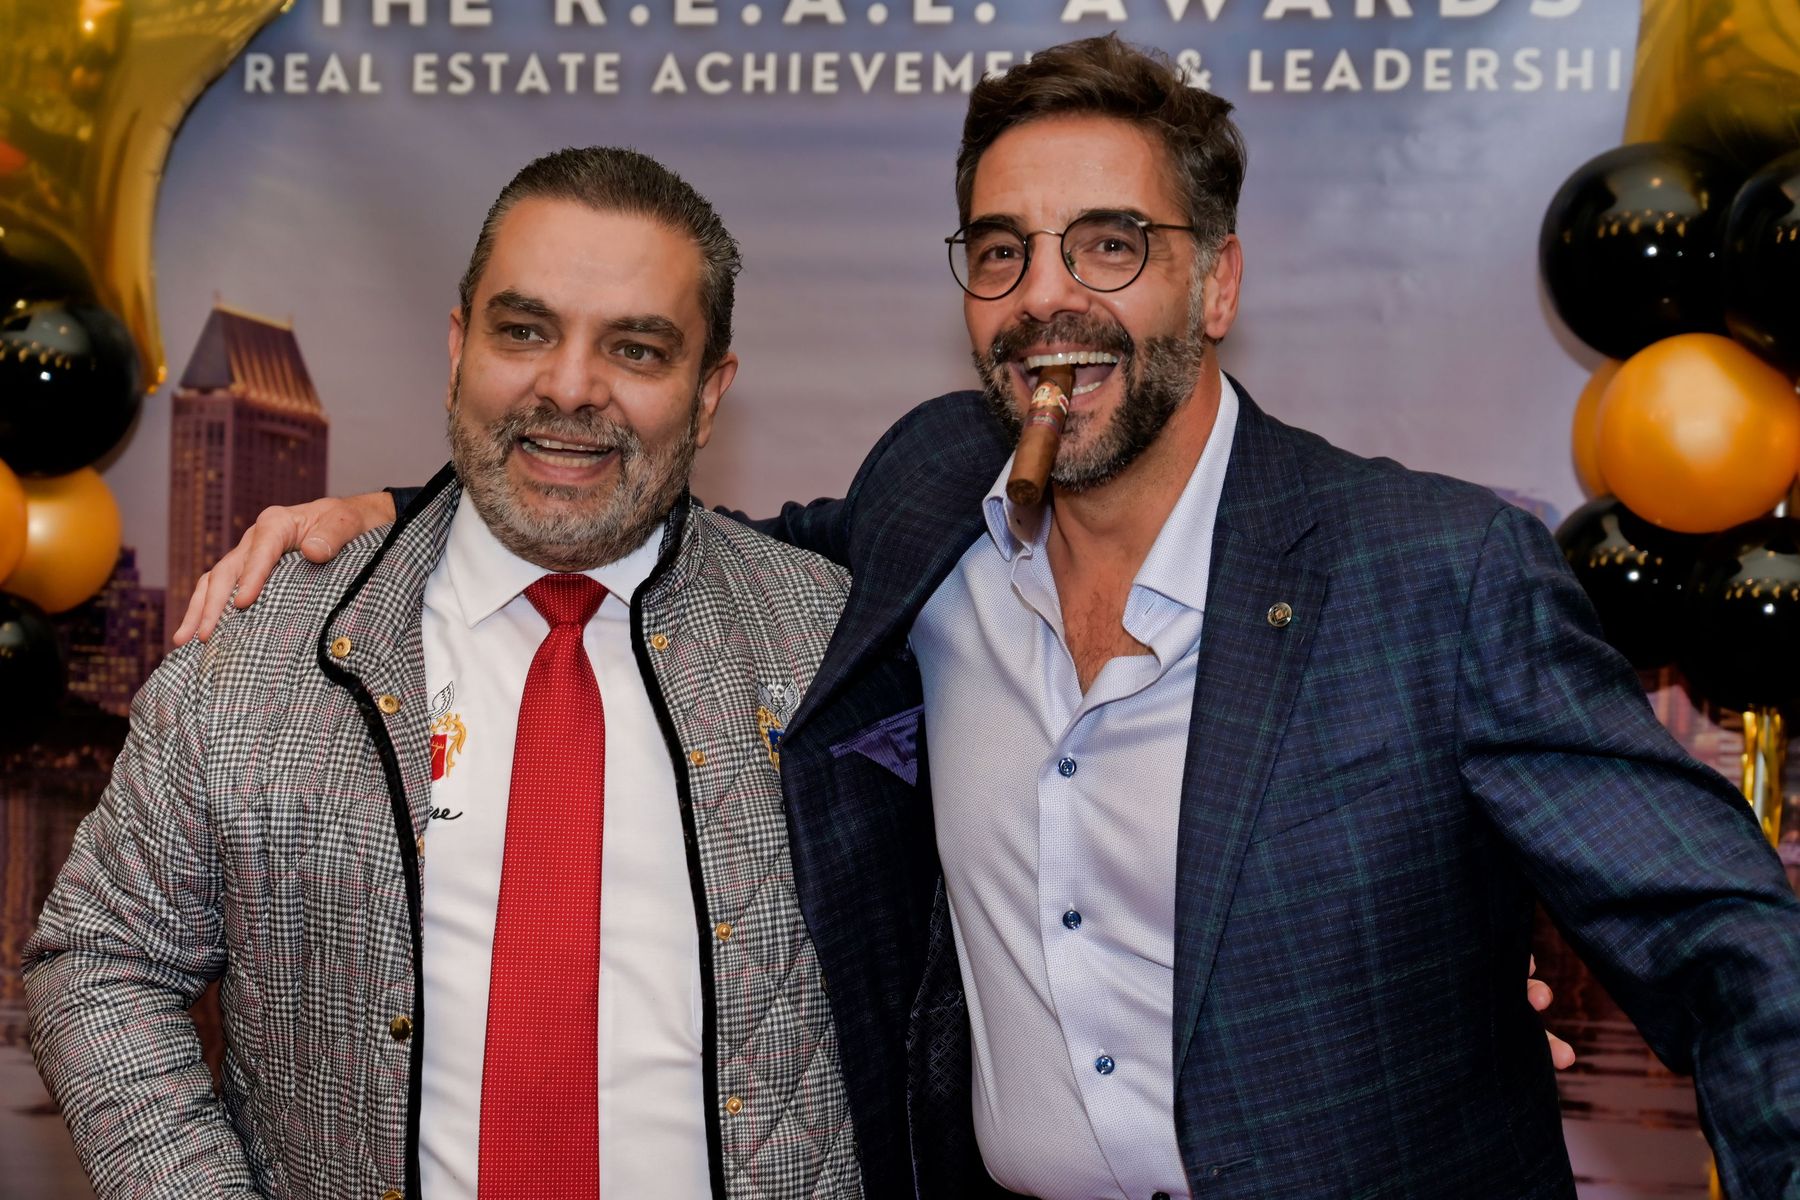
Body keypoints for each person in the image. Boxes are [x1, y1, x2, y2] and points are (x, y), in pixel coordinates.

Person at [171, 37, 1800, 1199]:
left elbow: (1730, 948)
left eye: (1113, 245)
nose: (1049, 298)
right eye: (1003, 251)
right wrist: (403, 508)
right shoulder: (924, 505)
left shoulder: (1433, 574)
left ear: (1218, 283)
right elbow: (688, 540)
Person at [25, 148, 866, 1200]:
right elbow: (100, 960)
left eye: (637, 349)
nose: (569, 386)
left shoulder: (833, 646)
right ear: (460, 347)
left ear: (707, 395)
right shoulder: (260, 648)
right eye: (525, 331)